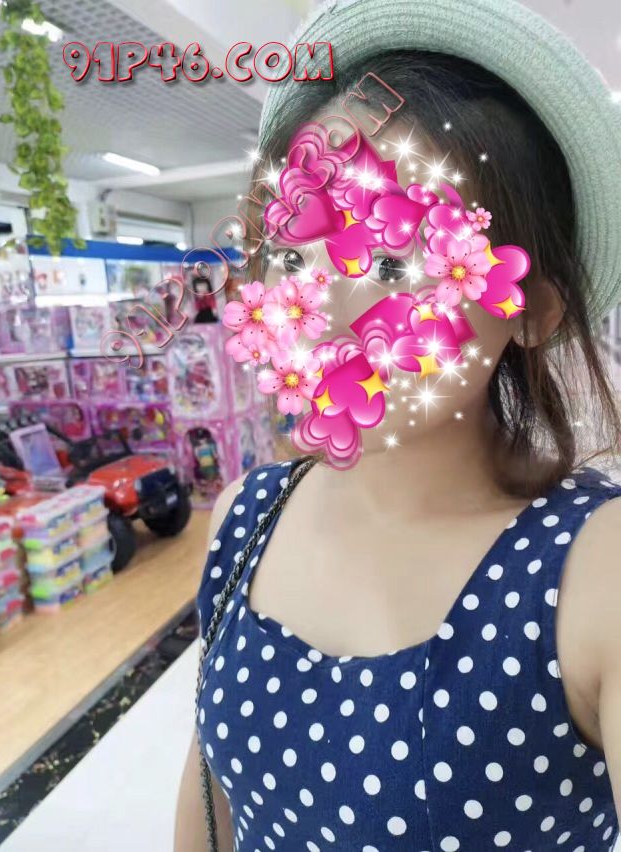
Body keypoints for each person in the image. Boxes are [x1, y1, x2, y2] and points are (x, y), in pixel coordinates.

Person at [175, 1, 621, 849]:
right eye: (296, 253)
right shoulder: (243, 518)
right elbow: (210, 793)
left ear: (532, 309)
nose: (321, 305)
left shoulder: (596, 573)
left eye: (391, 260)